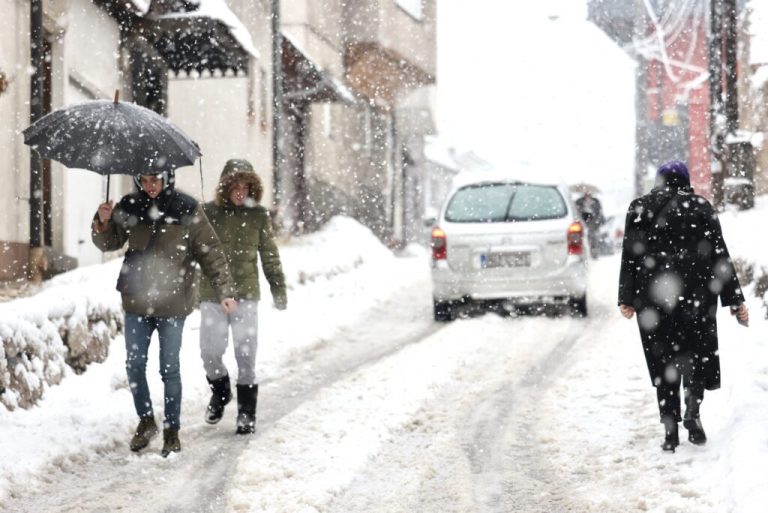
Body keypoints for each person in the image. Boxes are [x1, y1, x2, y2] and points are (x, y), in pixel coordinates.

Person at [92, 171, 237, 456]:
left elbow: (210, 251)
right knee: (134, 365)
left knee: (168, 368)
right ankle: (146, 421)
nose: (151, 186)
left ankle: (172, 429)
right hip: (136, 299)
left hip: (173, 301)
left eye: (156, 179)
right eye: (144, 180)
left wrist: (225, 290)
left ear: (167, 177)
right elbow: (109, 243)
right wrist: (103, 222)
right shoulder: (129, 206)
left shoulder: (186, 207)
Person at [618, 160, 749, 453]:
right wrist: (734, 298)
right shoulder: (701, 207)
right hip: (697, 291)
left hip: (653, 294)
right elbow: (719, 255)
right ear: (685, 180)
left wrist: (625, 297)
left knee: (663, 358)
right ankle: (692, 411)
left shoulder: (639, 208)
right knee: (695, 353)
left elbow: (630, 256)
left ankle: (669, 430)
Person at [198, 159, 287, 435]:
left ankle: (247, 413)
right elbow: (192, 251)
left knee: (246, 354)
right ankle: (221, 391)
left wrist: (278, 287)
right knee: (210, 353)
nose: (239, 192)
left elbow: (269, 255)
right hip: (213, 295)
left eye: (244, 186)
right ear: (225, 187)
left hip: (246, 295)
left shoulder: (259, 216)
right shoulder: (207, 213)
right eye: (234, 186)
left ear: (251, 187)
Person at [575, 191, 605, 258]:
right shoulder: (579, 202)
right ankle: (584, 255)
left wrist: (596, 221)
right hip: (584, 223)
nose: (587, 195)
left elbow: (599, 213)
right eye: (586, 193)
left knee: (594, 239)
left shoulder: (596, 201)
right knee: (584, 239)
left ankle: (594, 254)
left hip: (594, 223)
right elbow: (576, 212)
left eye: (589, 193)